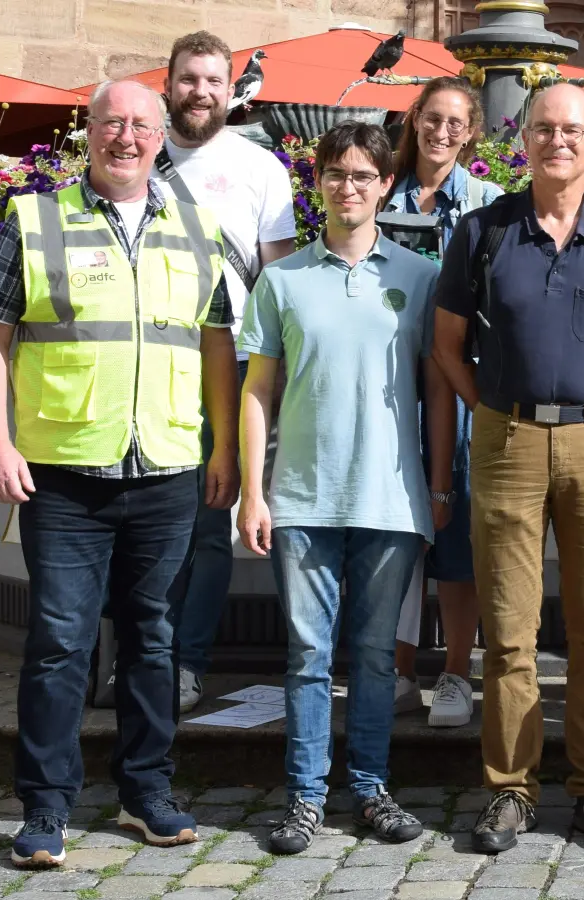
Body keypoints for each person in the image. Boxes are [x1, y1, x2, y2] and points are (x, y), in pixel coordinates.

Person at [0, 79, 235, 866]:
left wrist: (224, 452)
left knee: (153, 639)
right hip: (63, 474)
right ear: (89, 131)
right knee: (59, 642)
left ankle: (147, 792)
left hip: (166, 469)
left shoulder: (197, 229)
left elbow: (215, 343)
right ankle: (44, 809)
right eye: (112, 122)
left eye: (141, 125)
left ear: (162, 138)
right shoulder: (36, 218)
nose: (127, 137)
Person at [430, 83, 584, 854]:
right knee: (509, 631)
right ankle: (509, 791)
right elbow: (447, 344)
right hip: (508, 441)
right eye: (543, 128)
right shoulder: (484, 231)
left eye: (573, 130)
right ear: (522, 140)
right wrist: (495, 412)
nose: (557, 140)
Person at [237, 122, 437, 854]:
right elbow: (258, 389)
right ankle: (305, 796)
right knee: (306, 656)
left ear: (385, 184)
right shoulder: (282, 279)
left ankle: (372, 787)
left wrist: (439, 486)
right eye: (334, 174)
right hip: (302, 496)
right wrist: (253, 492)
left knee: (378, 657)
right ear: (316, 182)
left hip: (390, 497)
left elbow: (438, 392)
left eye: (362, 176)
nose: (347, 187)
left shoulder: (418, 278)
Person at [158, 31, 297, 713]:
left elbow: (280, 277)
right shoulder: (131, 151)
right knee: (144, 518)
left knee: (210, 518)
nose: (201, 92)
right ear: (170, 83)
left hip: (234, 362)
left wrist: (279, 374)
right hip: (145, 361)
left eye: (213, 81)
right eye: (189, 79)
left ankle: (185, 663)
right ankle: (144, 654)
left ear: (229, 88)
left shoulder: (261, 167)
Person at [381, 76, 505, 729]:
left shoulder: (489, 204)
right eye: (434, 117)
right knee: (397, 530)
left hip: (460, 386)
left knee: (457, 531)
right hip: (390, 384)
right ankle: (397, 671)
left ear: (472, 130)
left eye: (457, 121)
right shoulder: (382, 192)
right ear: (416, 119)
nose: (443, 131)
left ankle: (456, 671)